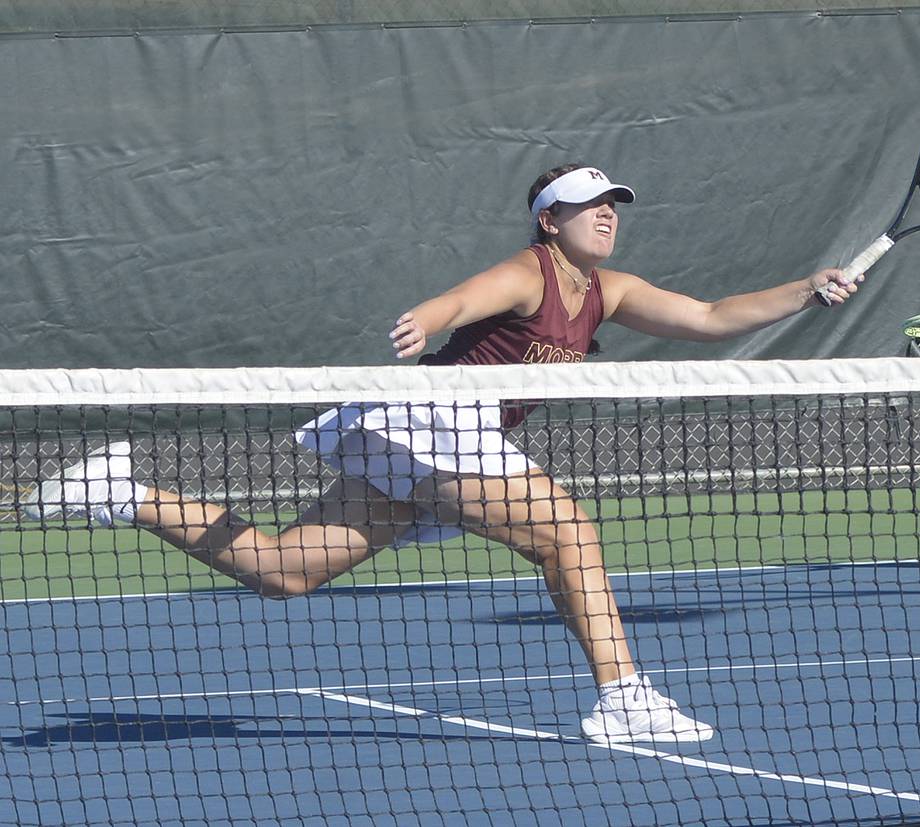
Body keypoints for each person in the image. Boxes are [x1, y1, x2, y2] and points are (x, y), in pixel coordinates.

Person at [20, 162, 865, 741]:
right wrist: (429, 316)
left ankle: (122, 490)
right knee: (566, 531)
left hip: (439, 439)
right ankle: (621, 695)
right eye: (589, 204)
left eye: (615, 203)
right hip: (431, 421)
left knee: (284, 570)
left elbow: (713, 317)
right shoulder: (531, 271)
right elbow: (469, 297)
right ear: (550, 221)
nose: (608, 213)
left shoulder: (611, 290)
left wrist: (808, 289)